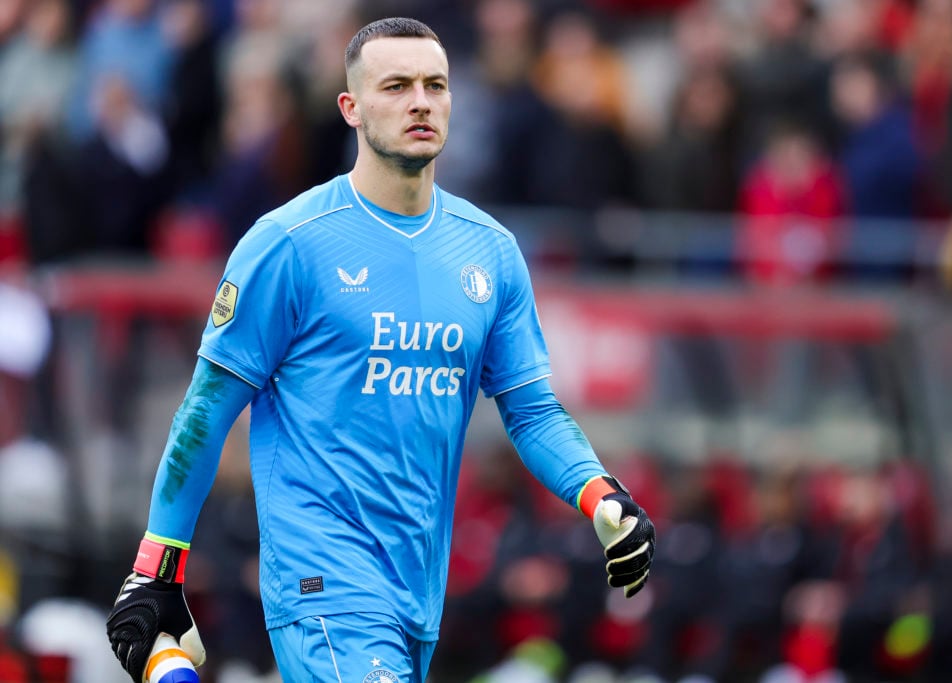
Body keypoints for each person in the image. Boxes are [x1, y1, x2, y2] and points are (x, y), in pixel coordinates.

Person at [105, 16, 655, 683]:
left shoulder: (491, 252)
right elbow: (207, 408)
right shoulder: (289, 243)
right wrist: (157, 567)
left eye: (435, 85)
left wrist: (600, 492)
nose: (420, 100)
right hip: (323, 584)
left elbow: (532, 409)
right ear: (352, 108)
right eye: (395, 86)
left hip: (418, 590)